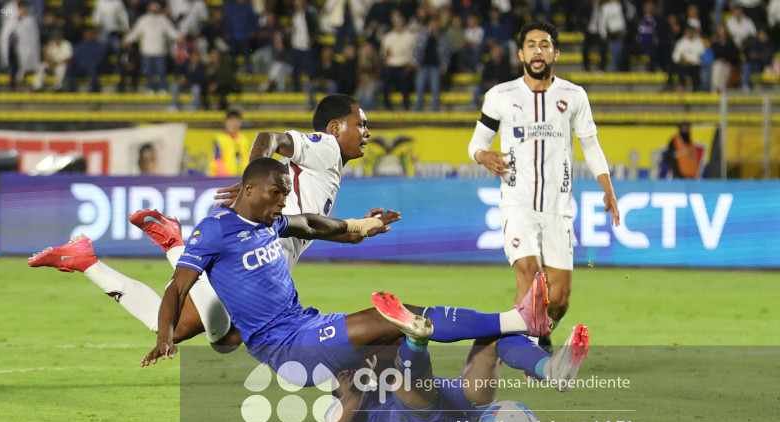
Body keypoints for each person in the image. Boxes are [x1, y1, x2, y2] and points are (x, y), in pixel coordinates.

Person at [28, 95, 398, 358]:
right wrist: (253, 177)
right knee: (213, 337)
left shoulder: (328, 171)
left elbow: (313, 228)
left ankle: (98, 258)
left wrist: (360, 230)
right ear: (335, 127)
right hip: (251, 257)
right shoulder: (326, 147)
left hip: (261, 261)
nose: (367, 131)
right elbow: (268, 139)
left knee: (204, 334)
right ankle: (150, 249)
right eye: (361, 123)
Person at [143, 157, 552, 383]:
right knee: (397, 317)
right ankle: (519, 319)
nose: (282, 201)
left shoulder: (270, 222)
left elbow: (312, 224)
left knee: (401, 340)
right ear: (248, 189)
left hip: (307, 325)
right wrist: (165, 338)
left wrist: (362, 225)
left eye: (285, 193)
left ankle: (536, 360)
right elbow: (178, 289)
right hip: (287, 348)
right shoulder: (216, 229)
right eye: (276, 192)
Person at [467, 22, 620, 352]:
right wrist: (483, 155)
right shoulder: (500, 96)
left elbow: (590, 144)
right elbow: (476, 144)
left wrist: (607, 188)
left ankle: (539, 332)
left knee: (559, 299)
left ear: (556, 53)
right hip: (517, 202)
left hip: (558, 208)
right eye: (531, 45)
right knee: (530, 275)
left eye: (545, 45)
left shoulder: (574, 96)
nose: (538, 50)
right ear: (521, 55)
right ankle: (528, 353)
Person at [328, 312, 590, 422]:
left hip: (461, 408)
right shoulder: (340, 407)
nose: (348, 371)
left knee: (492, 338)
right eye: (341, 374)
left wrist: (367, 356)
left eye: (348, 366)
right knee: (401, 377)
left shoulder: (380, 371)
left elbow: (384, 348)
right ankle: (416, 341)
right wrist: (357, 388)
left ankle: (550, 369)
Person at [208, 109, 250, 178]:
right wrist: (227, 178)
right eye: (232, 121)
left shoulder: (244, 140)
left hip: (241, 179)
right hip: (222, 179)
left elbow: (247, 160)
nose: (234, 124)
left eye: (237, 121)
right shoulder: (219, 139)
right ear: (226, 122)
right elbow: (217, 160)